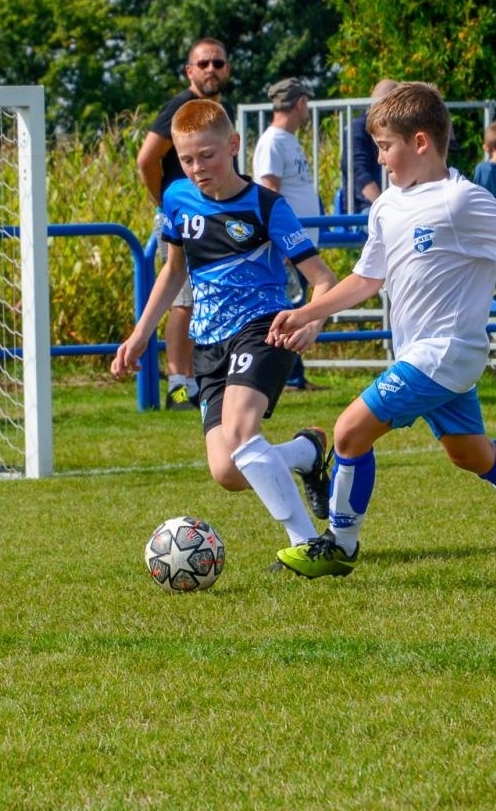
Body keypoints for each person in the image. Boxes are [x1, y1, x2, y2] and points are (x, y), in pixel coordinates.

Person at [268, 82, 496, 580]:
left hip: (445, 351)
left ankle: (340, 544)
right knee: (468, 452)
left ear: (420, 142)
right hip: (422, 355)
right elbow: (367, 278)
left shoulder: (458, 200)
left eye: (386, 147)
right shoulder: (387, 206)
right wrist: (311, 313)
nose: (381, 159)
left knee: (349, 432)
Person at [111, 99, 339, 554]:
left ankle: (309, 545)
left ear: (233, 145)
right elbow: (175, 269)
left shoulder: (266, 205)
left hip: (263, 328)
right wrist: (140, 335)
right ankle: (307, 453)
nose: (198, 167)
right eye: (187, 158)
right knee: (229, 471)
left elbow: (323, 279)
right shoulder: (177, 198)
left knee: (240, 434)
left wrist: (312, 321)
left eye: (208, 155)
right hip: (208, 344)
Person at [136, 37, 234, 410]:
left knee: (209, 296)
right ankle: (178, 385)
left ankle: (206, 379)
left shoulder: (217, 110)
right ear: (189, 71)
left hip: (216, 216)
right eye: (204, 63)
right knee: (184, 301)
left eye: (218, 63)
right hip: (184, 218)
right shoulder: (180, 106)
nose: (212, 69)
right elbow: (147, 158)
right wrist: (165, 204)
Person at [250, 76, 321, 390]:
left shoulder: (285, 140)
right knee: (288, 310)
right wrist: (282, 247)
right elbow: (269, 194)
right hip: (288, 247)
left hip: (299, 245)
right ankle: (288, 378)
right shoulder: (273, 141)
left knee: (294, 309)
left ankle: (295, 377)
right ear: (300, 103)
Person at [337, 79, 398, 214]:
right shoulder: (357, 129)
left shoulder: (391, 128)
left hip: (390, 203)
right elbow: (359, 173)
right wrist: (384, 207)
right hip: (364, 208)